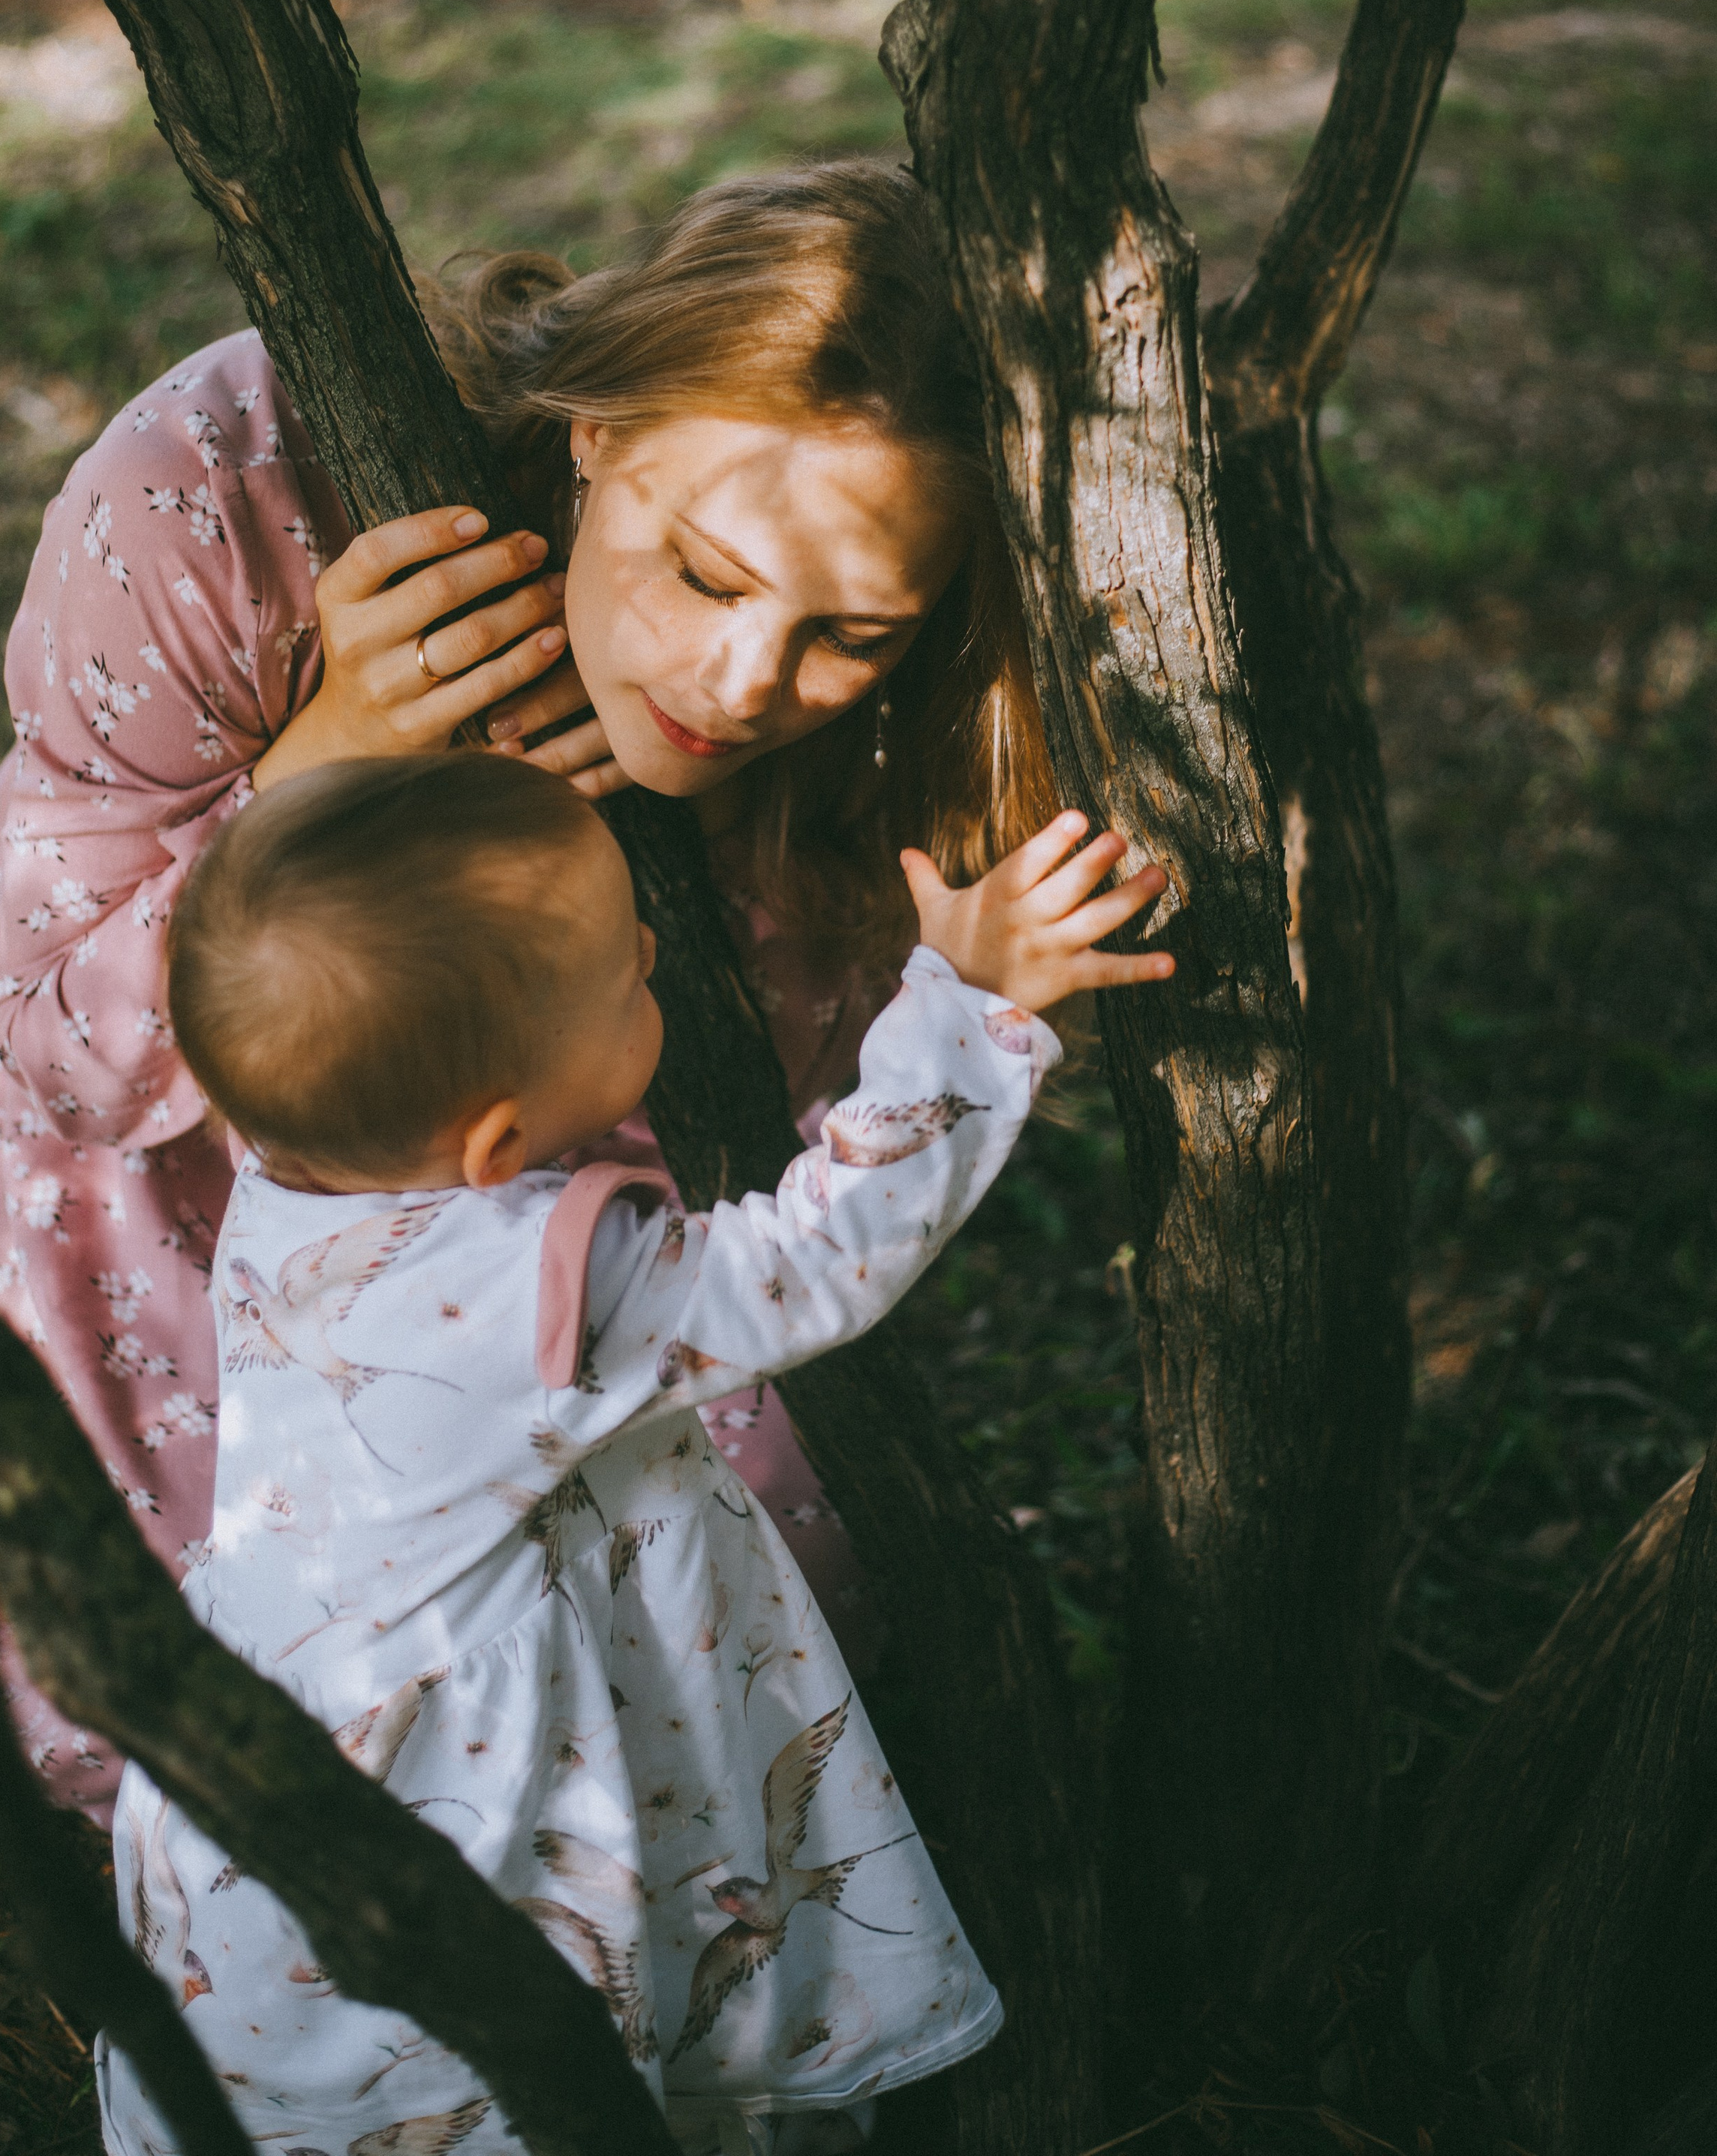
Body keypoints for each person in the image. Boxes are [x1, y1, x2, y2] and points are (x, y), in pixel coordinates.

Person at [0, 161, 1170, 1818]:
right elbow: (48, 1069)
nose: (740, 686)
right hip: (143, 1178)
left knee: (739, 1632)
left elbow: (749, 1187)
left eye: (848, 635)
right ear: (599, 433)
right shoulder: (224, 488)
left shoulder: (877, 751)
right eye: (706, 573)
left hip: (542, 1223)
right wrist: (327, 765)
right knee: (227, 1689)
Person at [100, 749, 1168, 2156]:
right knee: (521, 2056)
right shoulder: (537, 1280)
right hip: (467, 1786)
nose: (657, 949)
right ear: (493, 1140)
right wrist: (965, 1007)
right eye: (626, 978)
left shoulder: (294, 1172)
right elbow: (810, 1261)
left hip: (299, 1713)